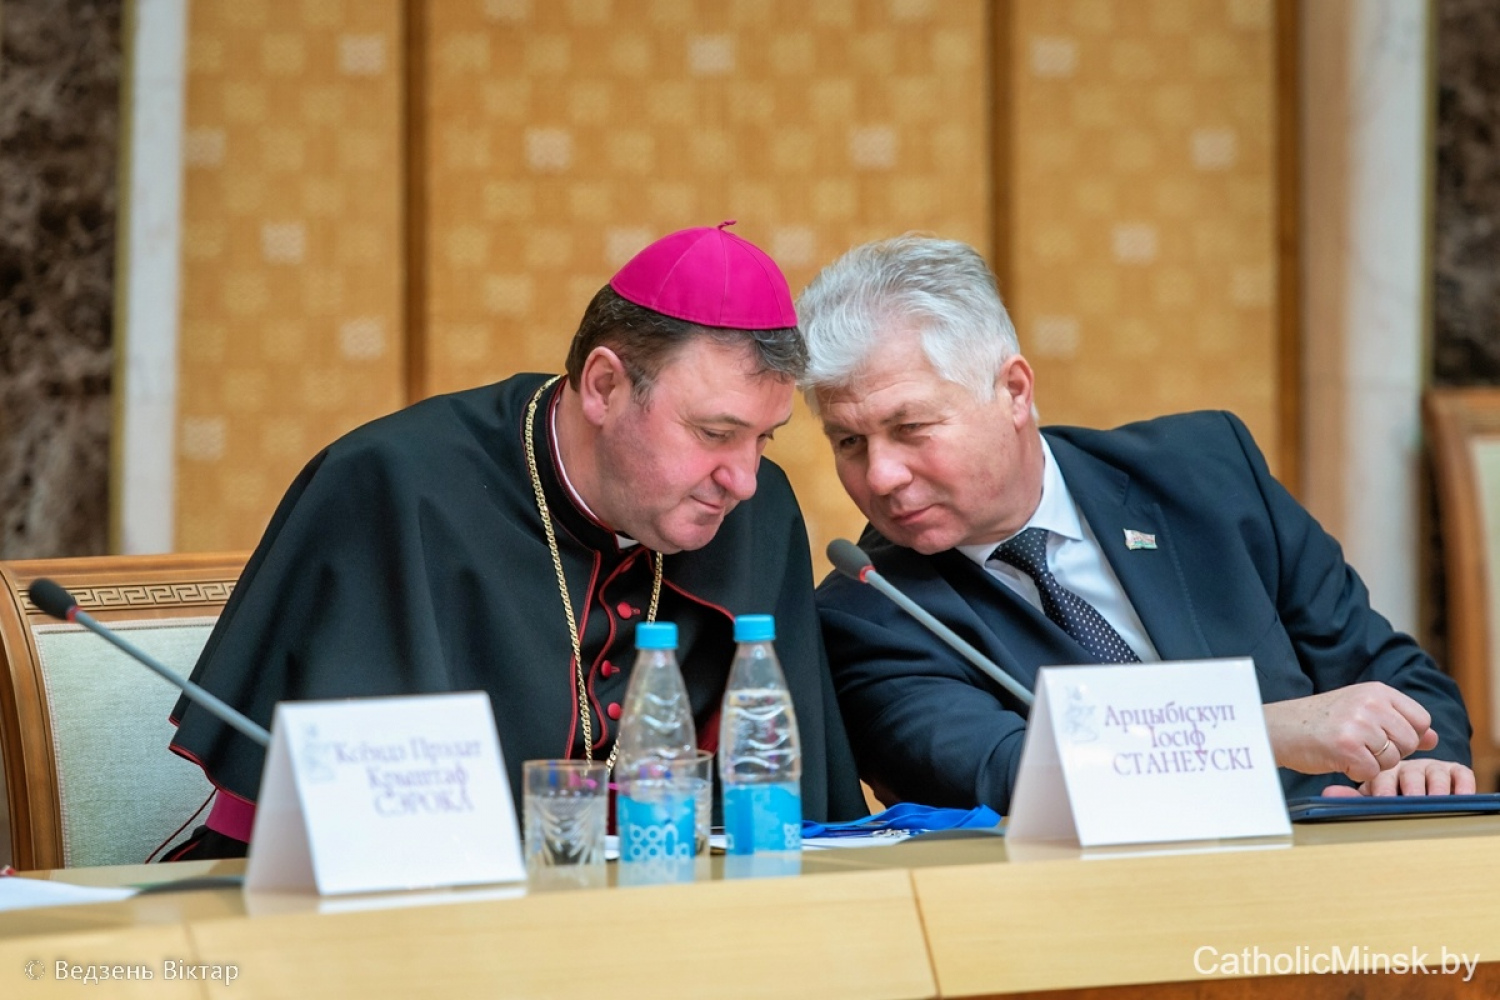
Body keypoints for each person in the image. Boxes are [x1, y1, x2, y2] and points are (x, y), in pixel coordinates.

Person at [166, 224, 867, 859]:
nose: (743, 479)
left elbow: (795, 818)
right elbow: (301, 835)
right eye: (715, 433)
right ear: (603, 386)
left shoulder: (759, 512)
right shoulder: (393, 485)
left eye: (764, 439)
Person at [799, 234, 1475, 814]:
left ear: (1014, 391)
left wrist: (1419, 763)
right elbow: (1009, 775)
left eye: (910, 427)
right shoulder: (868, 614)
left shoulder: (1205, 473)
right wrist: (1258, 730)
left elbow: (1392, 673)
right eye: (849, 442)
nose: (880, 476)